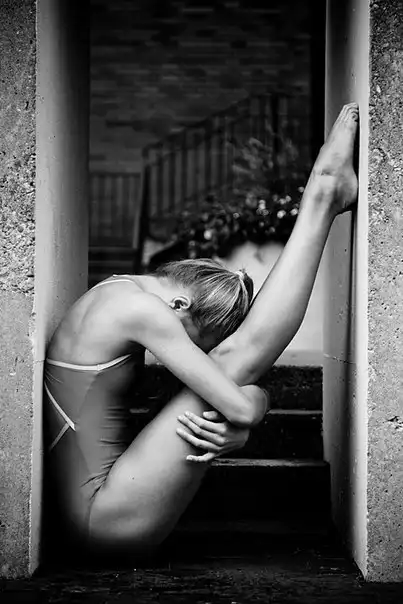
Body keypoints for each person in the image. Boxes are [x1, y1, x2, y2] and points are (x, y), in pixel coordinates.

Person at [44, 103, 359, 557]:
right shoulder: (143, 310)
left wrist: (246, 408)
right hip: (105, 520)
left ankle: (324, 195)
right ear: (180, 305)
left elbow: (235, 402)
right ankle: (322, 197)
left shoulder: (116, 290)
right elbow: (241, 406)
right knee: (234, 360)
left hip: (104, 509)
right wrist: (248, 414)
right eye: (195, 343)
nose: (190, 356)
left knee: (228, 369)